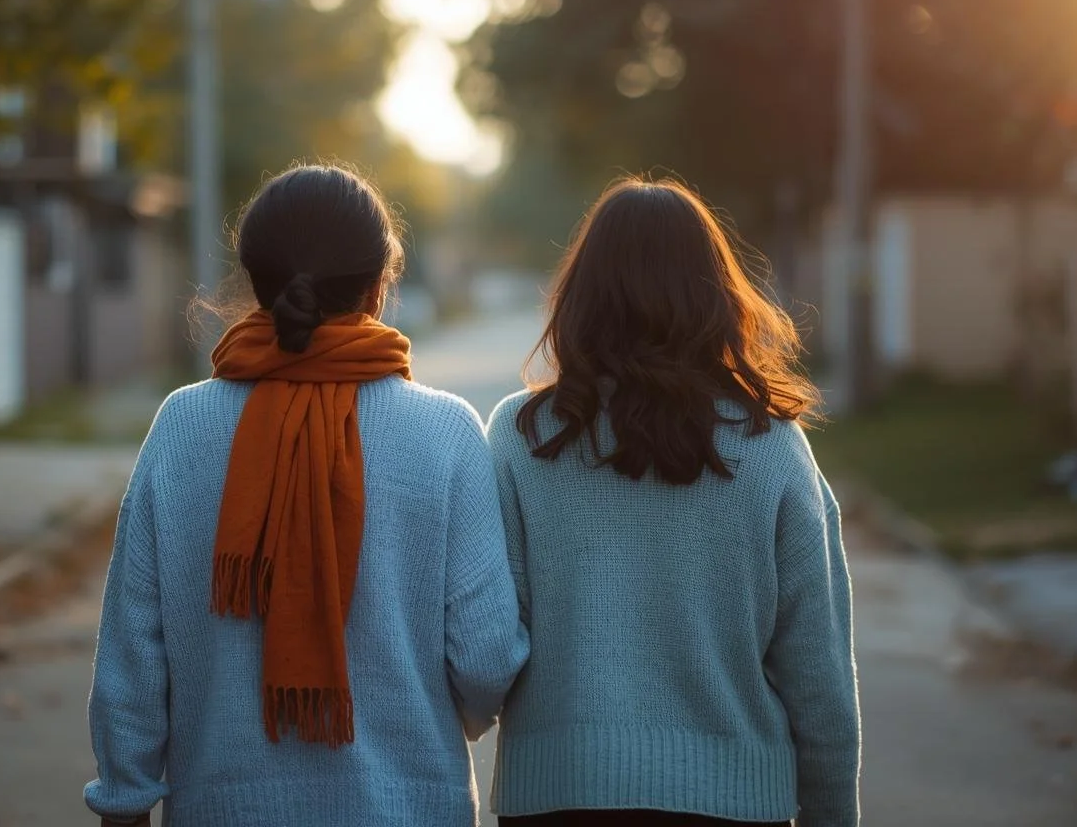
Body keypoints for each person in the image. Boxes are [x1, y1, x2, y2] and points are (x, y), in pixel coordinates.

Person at [86, 164, 528, 827]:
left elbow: (133, 651)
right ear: (379, 287)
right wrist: (434, 718)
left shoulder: (183, 427)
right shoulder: (446, 434)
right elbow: (486, 656)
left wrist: (124, 801)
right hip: (409, 810)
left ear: (254, 283)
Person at [487, 178, 860, 827]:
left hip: (559, 795)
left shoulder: (522, 436)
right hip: (734, 800)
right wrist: (832, 815)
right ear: (714, 295)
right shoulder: (770, 444)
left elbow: (489, 644)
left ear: (580, 297)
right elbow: (817, 670)